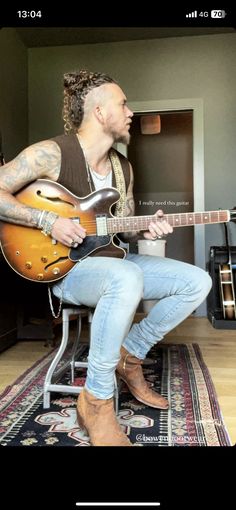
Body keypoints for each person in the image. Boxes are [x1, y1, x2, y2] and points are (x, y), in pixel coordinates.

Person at [0, 69, 212, 446]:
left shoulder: (122, 167)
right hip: (65, 269)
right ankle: (96, 399)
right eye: (123, 103)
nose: (130, 111)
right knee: (124, 276)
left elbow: (122, 229)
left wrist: (145, 230)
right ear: (99, 111)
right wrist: (47, 219)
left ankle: (129, 355)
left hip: (110, 260)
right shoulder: (50, 153)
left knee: (198, 281)